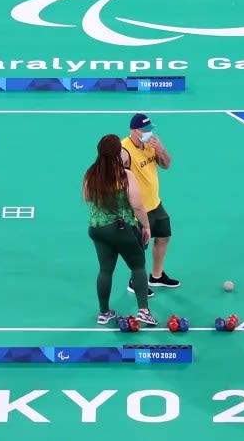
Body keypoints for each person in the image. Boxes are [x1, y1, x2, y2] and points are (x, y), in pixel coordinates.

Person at [83, 134, 157, 327]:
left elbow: (87, 197)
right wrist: (146, 226)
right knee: (138, 265)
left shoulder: (91, 174)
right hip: (120, 228)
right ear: (119, 153)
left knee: (106, 270)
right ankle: (143, 311)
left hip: (97, 228)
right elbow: (138, 206)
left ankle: (104, 313)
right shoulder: (125, 175)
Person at [120, 113, 179, 296]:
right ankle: (135, 281)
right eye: (144, 130)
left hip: (155, 203)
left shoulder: (152, 143)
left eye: (150, 129)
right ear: (134, 130)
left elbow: (167, 165)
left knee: (164, 237)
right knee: (138, 248)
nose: (148, 133)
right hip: (137, 208)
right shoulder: (124, 150)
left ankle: (156, 276)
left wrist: (160, 149)